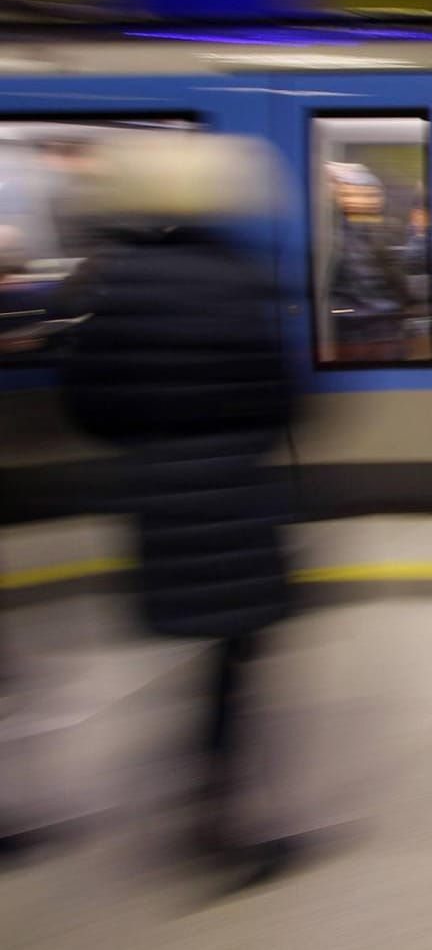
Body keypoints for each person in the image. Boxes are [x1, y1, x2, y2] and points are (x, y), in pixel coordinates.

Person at [55, 132, 309, 889]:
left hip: (157, 493)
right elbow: (284, 397)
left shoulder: (113, 281)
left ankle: (193, 803)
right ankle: (220, 816)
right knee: (235, 659)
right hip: (236, 490)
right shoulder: (236, 278)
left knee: (189, 648)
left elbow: (86, 403)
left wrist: (151, 448)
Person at [323, 163, 410, 361]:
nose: (363, 200)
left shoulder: (389, 230)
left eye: (370, 194)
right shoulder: (332, 233)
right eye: (352, 194)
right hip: (350, 326)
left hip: (386, 324)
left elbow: (401, 276)